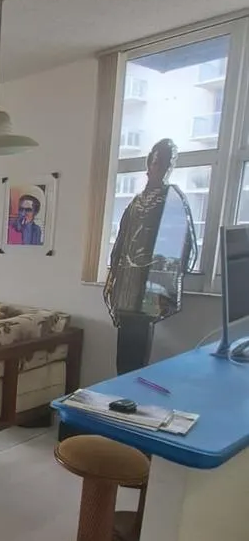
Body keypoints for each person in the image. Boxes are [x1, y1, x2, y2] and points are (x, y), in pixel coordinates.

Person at [104, 138, 197, 375]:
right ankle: (120, 388)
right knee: (123, 353)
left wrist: (168, 278)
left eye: (164, 163)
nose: (158, 168)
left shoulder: (172, 199)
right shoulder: (136, 202)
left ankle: (130, 389)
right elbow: (121, 240)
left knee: (138, 353)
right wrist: (113, 277)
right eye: (155, 162)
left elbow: (183, 245)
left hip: (151, 287)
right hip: (127, 284)